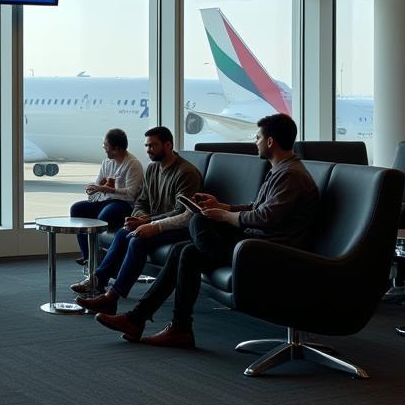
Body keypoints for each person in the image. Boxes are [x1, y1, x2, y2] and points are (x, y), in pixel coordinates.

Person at [96, 113, 319, 348]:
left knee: (196, 224)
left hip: (267, 250)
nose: (256, 142)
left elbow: (265, 217)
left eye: (258, 137)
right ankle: (155, 323)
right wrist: (224, 206)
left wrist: (224, 215)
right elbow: (258, 208)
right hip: (254, 241)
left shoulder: (290, 176)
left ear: (271, 141)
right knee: (186, 251)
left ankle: (161, 314)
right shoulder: (281, 170)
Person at [72, 126, 201, 311]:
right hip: (152, 221)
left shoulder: (185, 173)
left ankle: (111, 296)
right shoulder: (153, 169)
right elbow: (141, 201)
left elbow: (182, 213)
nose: (148, 150)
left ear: (168, 145)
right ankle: (98, 280)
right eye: (147, 146)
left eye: (153, 146)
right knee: (124, 232)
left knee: (136, 239)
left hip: (177, 227)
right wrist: (140, 218)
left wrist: (147, 222)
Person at [69, 128, 143, 267]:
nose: (104, 149)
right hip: (106, 200)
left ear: (117, 149)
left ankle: (98, 255)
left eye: (106, 147)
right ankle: (88, 255)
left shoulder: (133, 165)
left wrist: (109, 189)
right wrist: (93, 189)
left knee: (105, 214)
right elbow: (98, 185)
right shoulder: (107, 162)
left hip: (123, 203)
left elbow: (131, 193)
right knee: (77, 209)